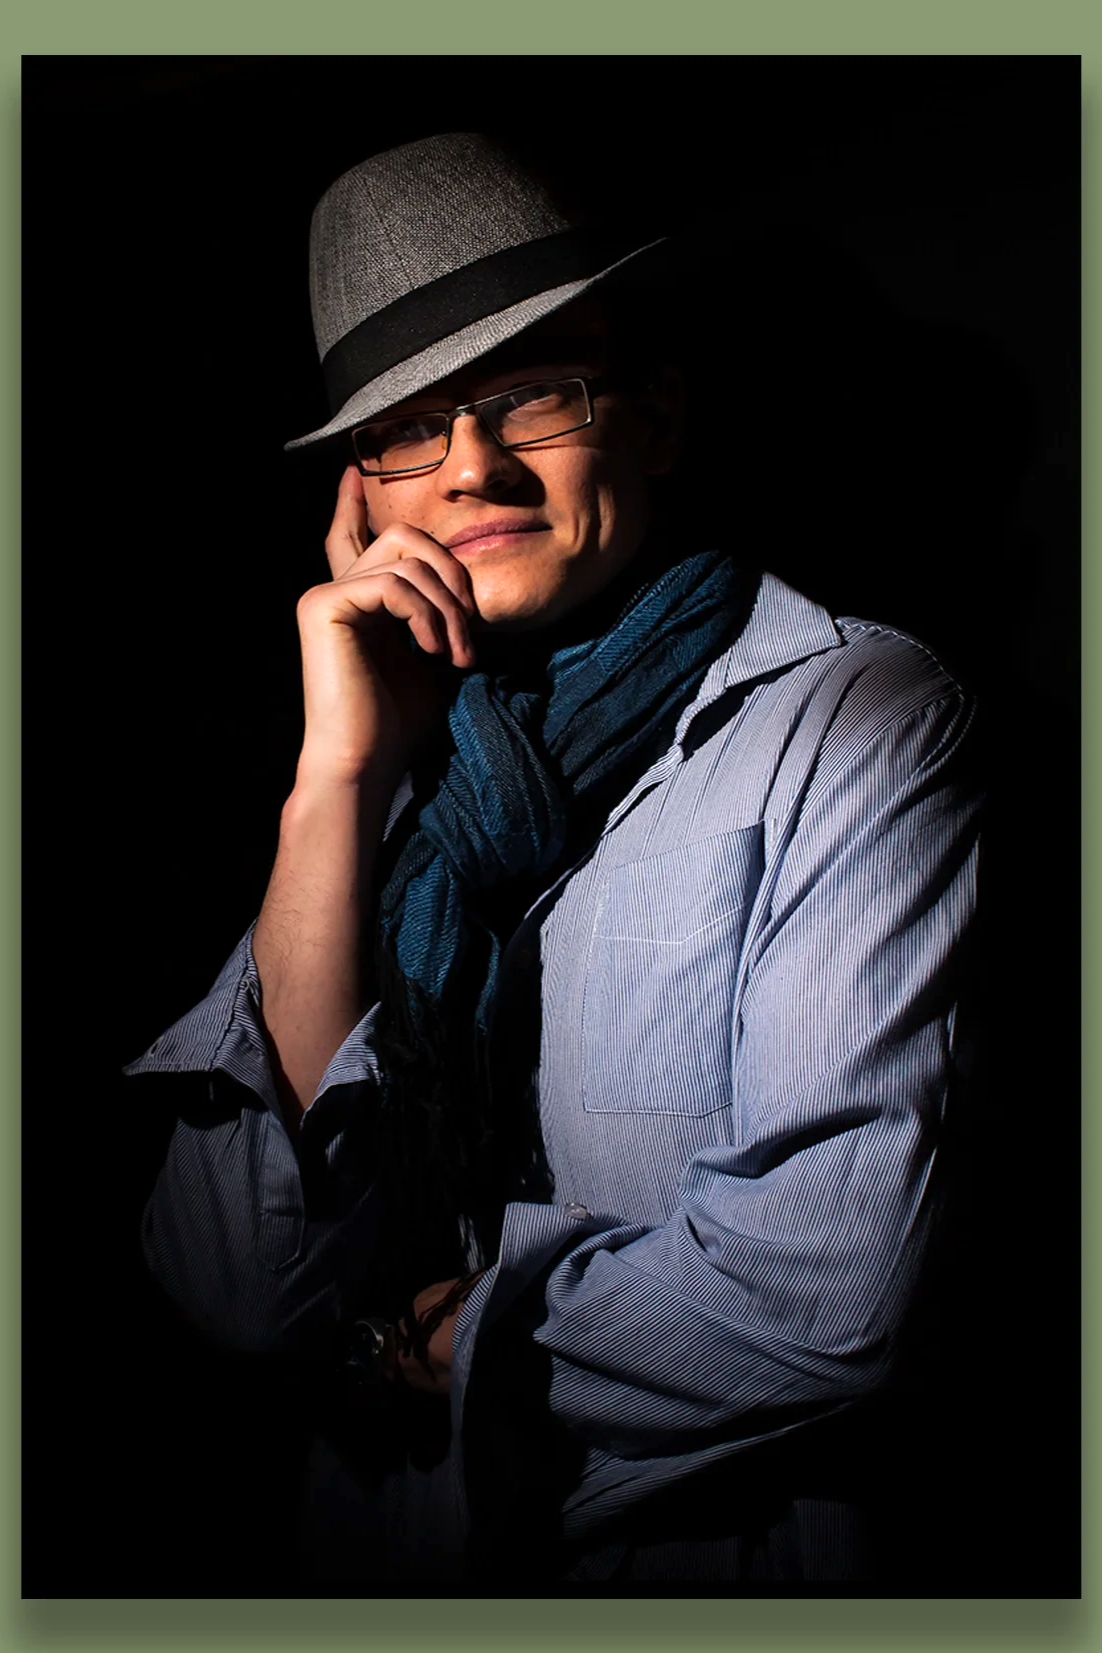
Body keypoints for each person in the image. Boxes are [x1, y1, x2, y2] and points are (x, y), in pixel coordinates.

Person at [125, 131, 981, 1587]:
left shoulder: (855, 717)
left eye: (530, 391)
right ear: (361, 499)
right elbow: (241, 1290)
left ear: (649, 422)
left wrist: (429, 1345)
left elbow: (828, 1298)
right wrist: (336, 781)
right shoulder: (393, 774)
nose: (471, 466)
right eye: (406, 426)